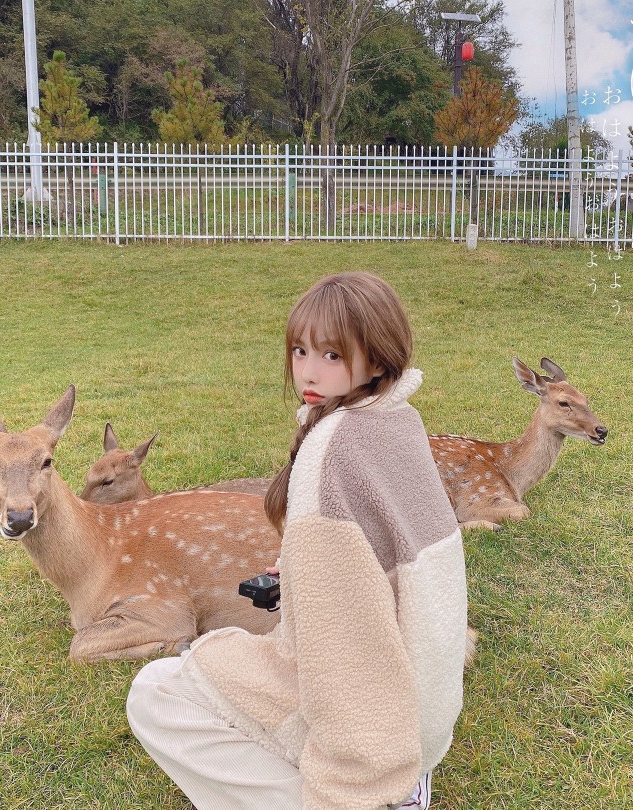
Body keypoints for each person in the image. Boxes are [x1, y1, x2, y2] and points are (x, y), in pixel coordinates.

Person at [127, 271, 470, 810]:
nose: (308, 371)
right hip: (425, 710)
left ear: (378, 359)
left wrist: (350, 786)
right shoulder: (397, 418)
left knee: (156, 694)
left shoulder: (328, 453)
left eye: (332, 356)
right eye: (300, 350)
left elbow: (348, 653)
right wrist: (308, 569)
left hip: (382, 735)